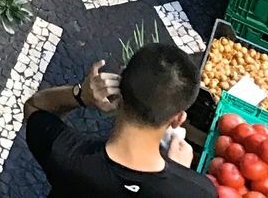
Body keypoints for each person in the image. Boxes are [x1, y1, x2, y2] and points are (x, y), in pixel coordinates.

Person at [22, 46, 209, 198]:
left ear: (120, 88)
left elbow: (35, 108)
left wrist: (80, 95)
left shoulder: (66, 154)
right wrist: (179, 172)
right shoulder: (199, 192)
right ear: (178, 119)